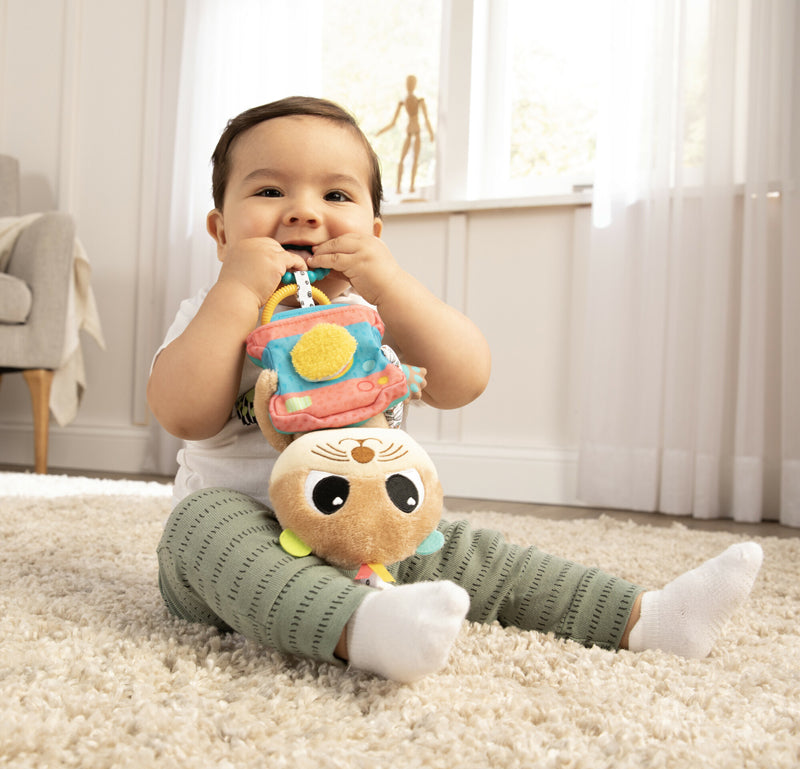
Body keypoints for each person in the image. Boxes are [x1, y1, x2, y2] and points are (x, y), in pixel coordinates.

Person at [148, 97, 763, 683]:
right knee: (202, 524)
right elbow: (184, 414)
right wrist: (237, 292)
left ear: (374, 231)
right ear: (222, 232)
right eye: (269, 191)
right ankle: (361, 629)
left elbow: (464, 379)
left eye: (335, 195)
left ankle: (646, 619)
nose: (304, 211)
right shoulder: (213, 313)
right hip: (241, 547)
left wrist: (392, 285)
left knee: (466, 550)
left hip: (369, 536)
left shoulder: (374, 316)